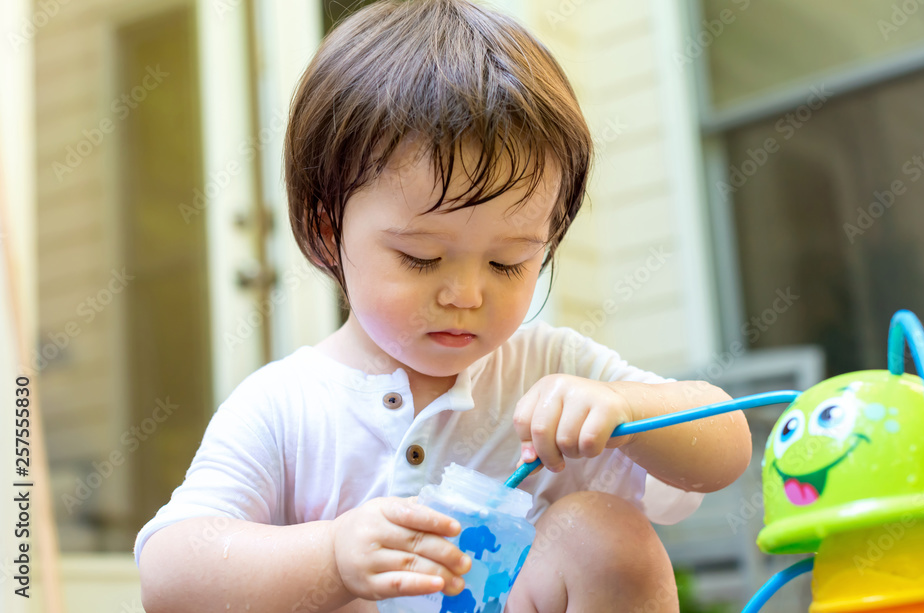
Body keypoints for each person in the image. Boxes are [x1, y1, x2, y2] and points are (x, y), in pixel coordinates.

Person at [135, 1, 752, 611]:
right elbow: (170, 573)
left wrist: (624, 409)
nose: (467, 294)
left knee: (600, 534)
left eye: (508, 262)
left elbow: (724, 449)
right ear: (329, 231)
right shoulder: (285, 407)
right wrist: (331, 557)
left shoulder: (551, 370)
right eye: (421, 258)